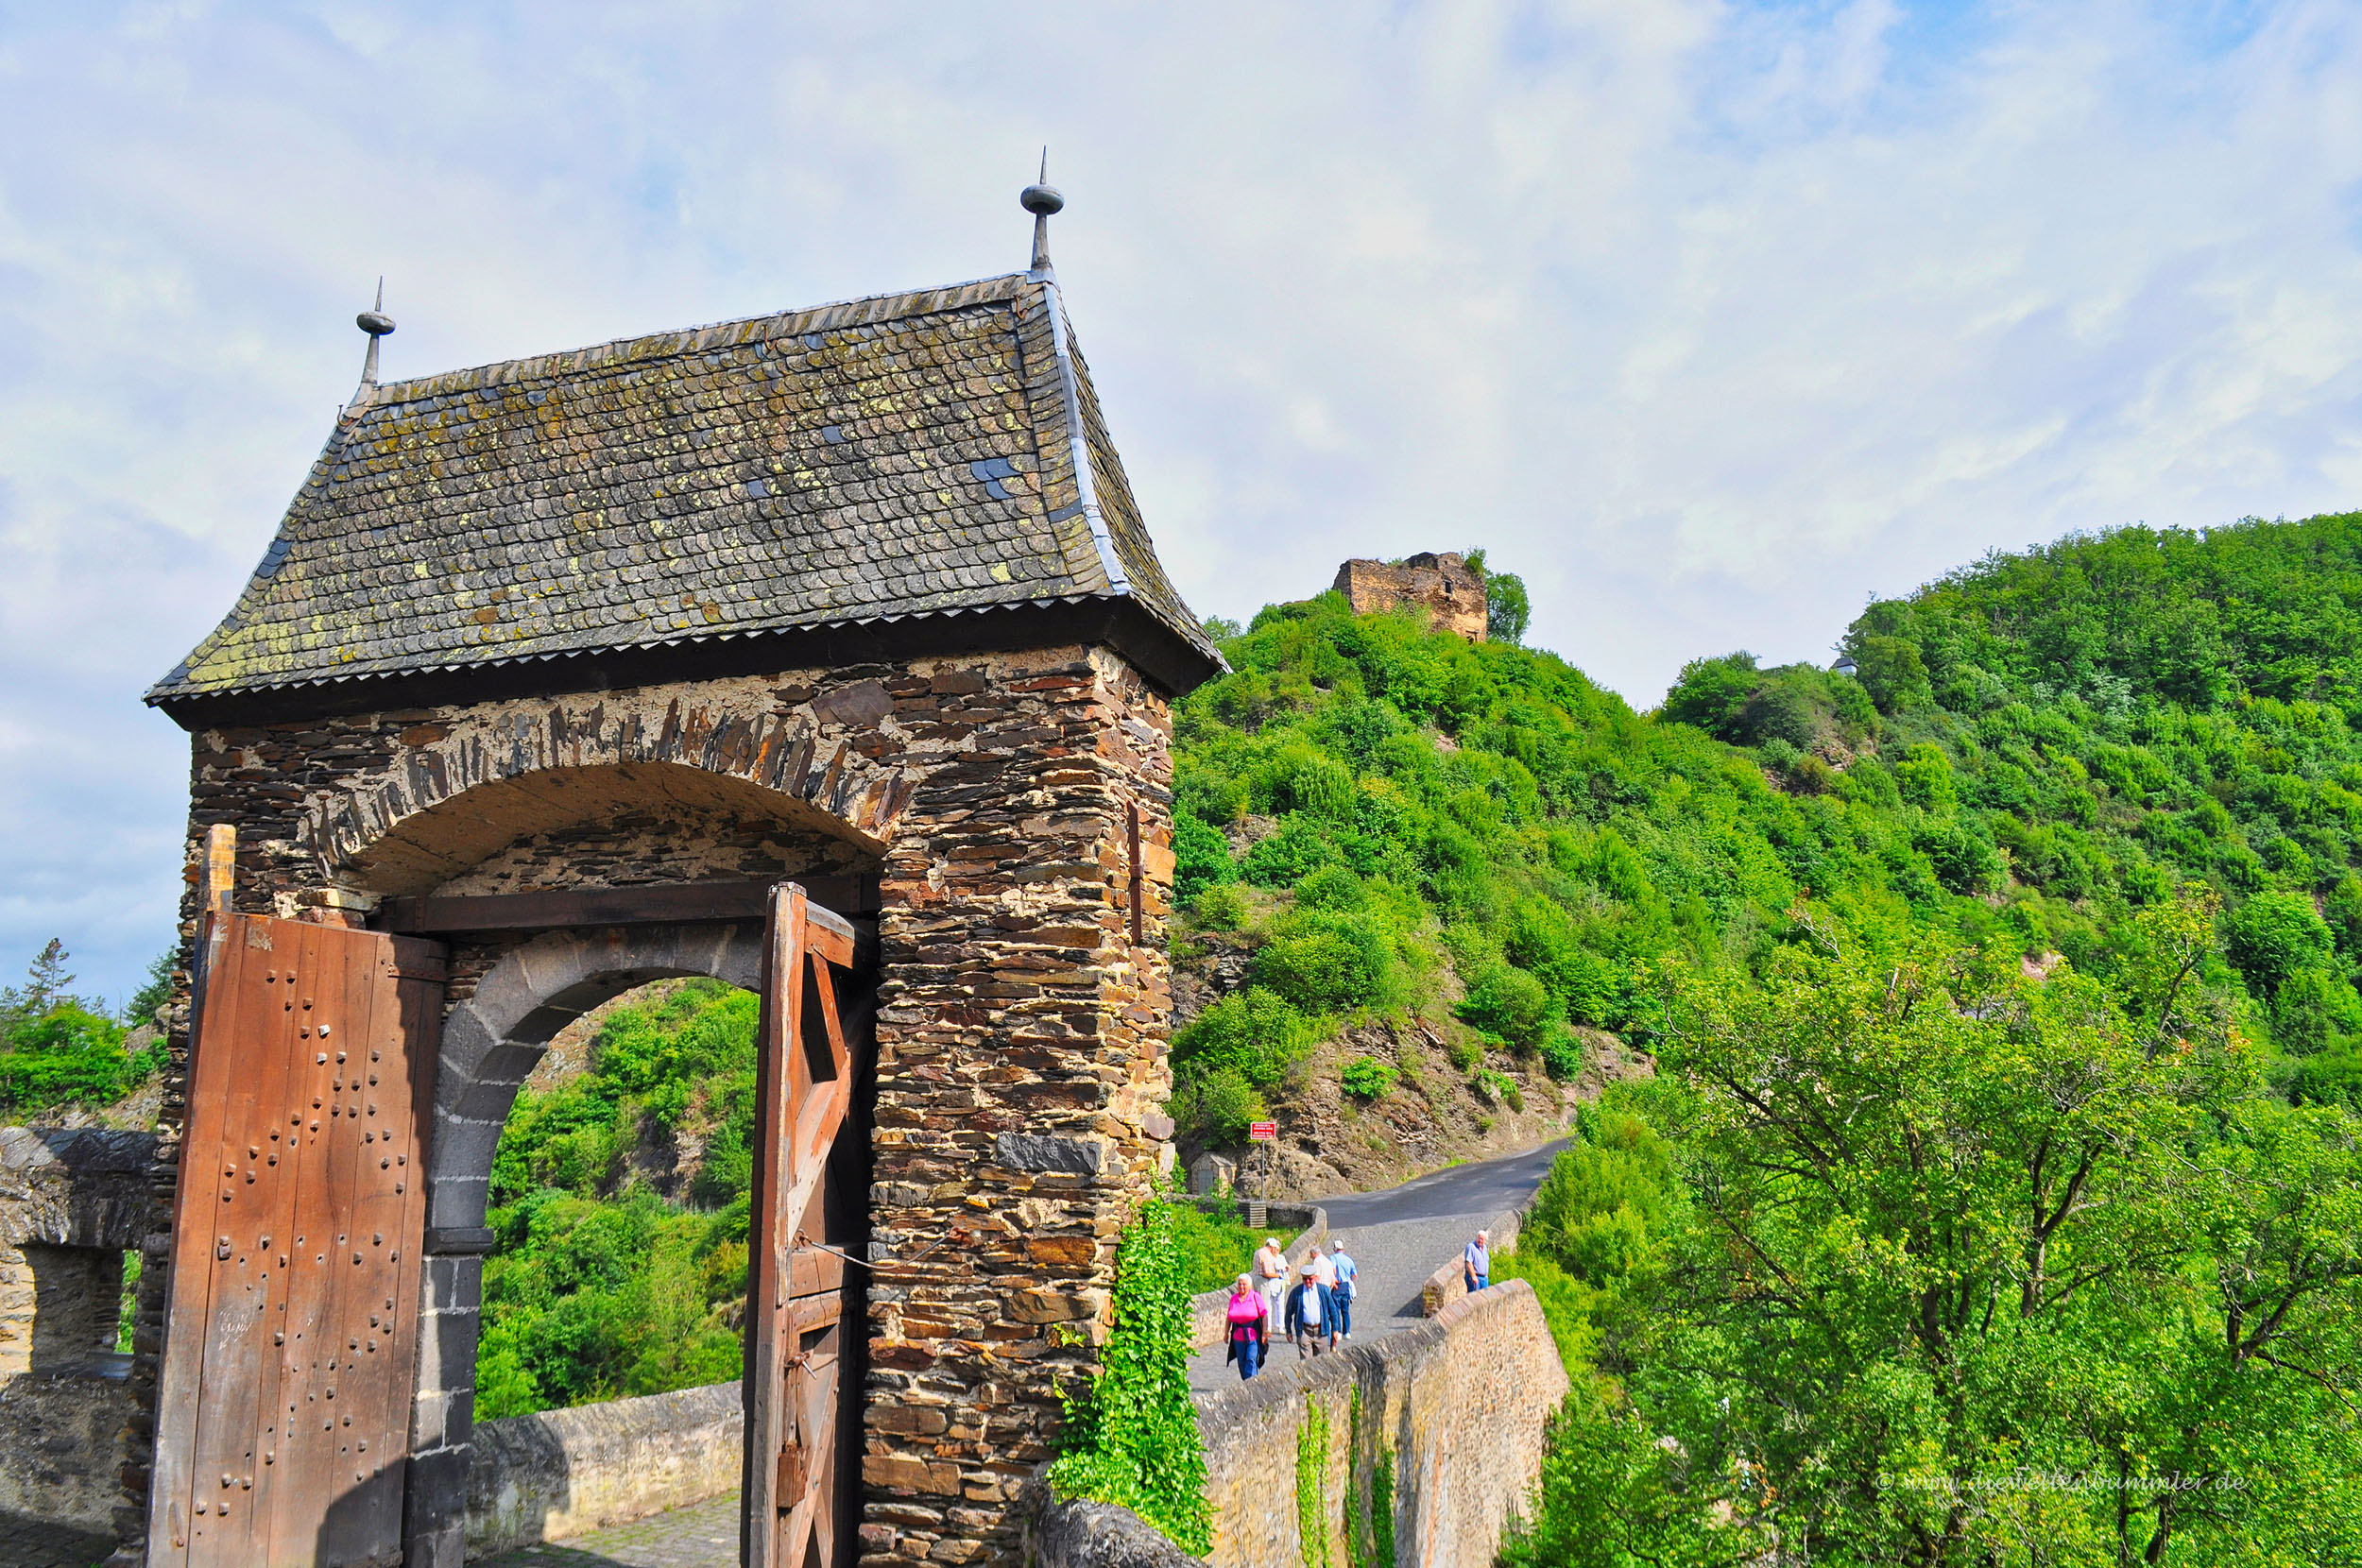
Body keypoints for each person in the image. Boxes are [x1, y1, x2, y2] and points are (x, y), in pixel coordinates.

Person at [1224, 1271, 1268, 1381]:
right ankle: (1246, 1382)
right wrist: (1226, 1334)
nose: (1242, 1287)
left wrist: (1264, 1333)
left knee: (1251, 1359)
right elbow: (1229, 1317)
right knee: (1242, 1362)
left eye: (1244, 1284)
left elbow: (1264, 1315)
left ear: (1250, 1285)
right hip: (1238, 1336)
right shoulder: (1233, 1299)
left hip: (1253, 1335)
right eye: (1240, 1284)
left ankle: (1252, 1384)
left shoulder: (1255, 1297)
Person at [1284, 1262, 1331, 1357]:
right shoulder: (1296, 1292)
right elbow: (1288, 1313)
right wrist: (1288, 1331)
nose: (1308, 1281)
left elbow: (1333, 1311)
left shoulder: (1324, 1290)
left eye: (1310, 1279)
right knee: (1306, 1363)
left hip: (1321, 1332)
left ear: (1315, 1277)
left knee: (1322, 1363)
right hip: (1304, 1331)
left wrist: (1335, 1330)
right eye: (1305, 1279)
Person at [1255, 1236, 1289, 1328]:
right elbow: (1267, 1273)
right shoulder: (1266, 1254)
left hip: (1258, 1279)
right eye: (1275, 1248)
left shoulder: (1258, 1251)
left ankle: (1267, 1326)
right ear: (1272, 1247)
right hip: (1263, 1281)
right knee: (1265, 1305)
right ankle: (1265, 1327)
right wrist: (1278, 1275)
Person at [1329, 1238, 1358, 1340]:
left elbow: (1333, 1270)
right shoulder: (1349, 1260)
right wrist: (1349, 1279)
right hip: (1346, 1285)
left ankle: (1338, 1331)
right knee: (1345, 1310)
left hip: (1338, 1285)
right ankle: (1347, 1332)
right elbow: (1354, 1274)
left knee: (1336, 1310)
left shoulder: (1333, 1258)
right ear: (1343, 1249)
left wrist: (1334, 1279)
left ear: (1335, 1249)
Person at [1464, 1228, 1491, 1294]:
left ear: (1485, 1240)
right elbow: (1468, 1263)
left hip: (1484, 1278)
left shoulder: (1485, 1248)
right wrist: (1473, 1276)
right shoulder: (1471, 1247)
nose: (1480, 1240)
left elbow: (1486, 1261)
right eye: (1479, 1238)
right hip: (1476, 1278)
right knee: (1474, 1298)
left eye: (1482, 1239)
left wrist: (1486, 1275)